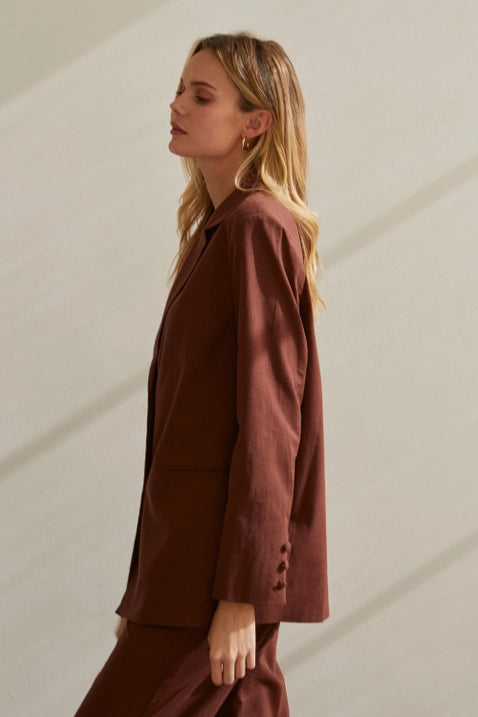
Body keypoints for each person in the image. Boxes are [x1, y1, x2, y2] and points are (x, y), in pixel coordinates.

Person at [74, 32, 328, 716]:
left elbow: (270, 422)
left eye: (201, 94)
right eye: (181, 89)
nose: (177, 104)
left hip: (211, 582)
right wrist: (144, 588)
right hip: (185, 573)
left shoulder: (256, 228)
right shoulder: (217, 231)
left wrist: (241, 595)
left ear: (256, 122)